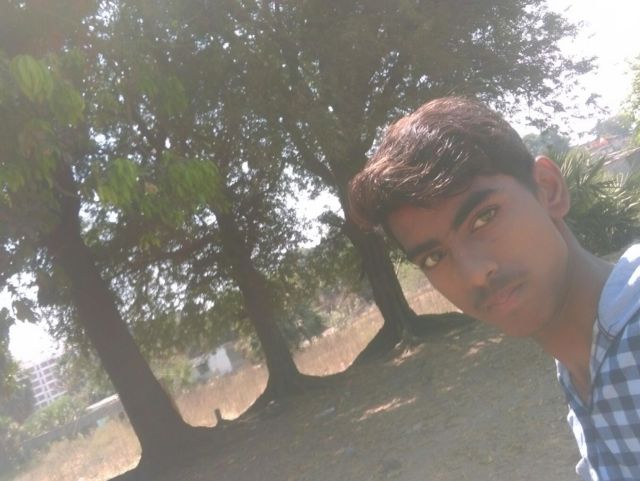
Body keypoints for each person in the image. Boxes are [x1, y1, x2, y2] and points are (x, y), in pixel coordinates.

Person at [348, 97, 640, 481]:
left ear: (548, 189)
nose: (473, 274)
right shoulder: (581, 366)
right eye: (434, 258)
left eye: (483, 218)